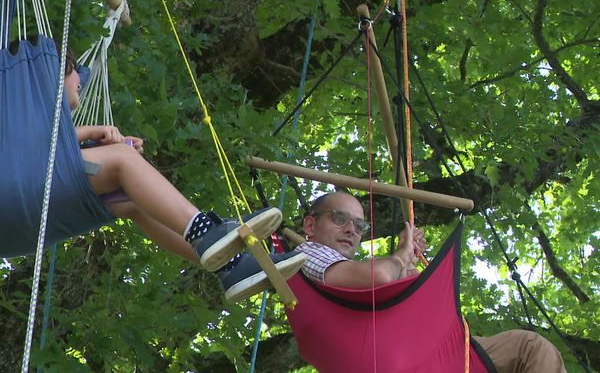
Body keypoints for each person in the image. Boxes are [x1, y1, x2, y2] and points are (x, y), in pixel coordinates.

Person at [36, 39, 305, 302]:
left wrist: (101, 144)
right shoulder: (27, 108)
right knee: (122, 159)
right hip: (29, 184)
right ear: (59, 69)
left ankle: (232, 267)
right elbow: (35, 145)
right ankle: (205, 230)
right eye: (75, 72)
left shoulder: (45, 117)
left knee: (132, 201)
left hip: (44, 196)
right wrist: (95, 135)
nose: (81, 83)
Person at [296, 191, 567, 373]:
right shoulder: (305, 255)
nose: (351, 230)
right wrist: (401, 257)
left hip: (427, 353)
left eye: (359, 226)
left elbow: (408, 303)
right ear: (310, 226)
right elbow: (378, 275)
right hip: (397, 357)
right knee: (527, 348)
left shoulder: (356, 273)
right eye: (340, 219)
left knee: (529, 348)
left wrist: (408, 259)